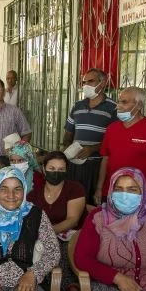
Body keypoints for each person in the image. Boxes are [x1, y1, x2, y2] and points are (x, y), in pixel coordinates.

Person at [26, 151, 86, 291]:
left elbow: (72, 220)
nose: (56, 172)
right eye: (52, 168)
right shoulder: (33, 194)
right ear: (43, 169)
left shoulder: (75, 189)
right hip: (42, 238)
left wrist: (47, 232)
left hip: (70, 236)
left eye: (61, 169)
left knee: (58, 248)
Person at [94, 87, 146, 205]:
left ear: (139, 105)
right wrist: (99, 188)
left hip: (140, 194)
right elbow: (105, 160)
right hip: (112, 192)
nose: (118, 106)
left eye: (124, 102)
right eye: (119, 101)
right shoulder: (112, 129)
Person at [61, 68, 117, 205]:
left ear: (102, 84)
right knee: (73, 200)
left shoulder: (113, 108)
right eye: (84, 82)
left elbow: (115, 140)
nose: (86, 85)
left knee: (91, 203)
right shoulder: (77, 106)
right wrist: (67, 150)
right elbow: (68, 133)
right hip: (74, 164)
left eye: (91, 81)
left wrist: (92, 149)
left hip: (97, 165)